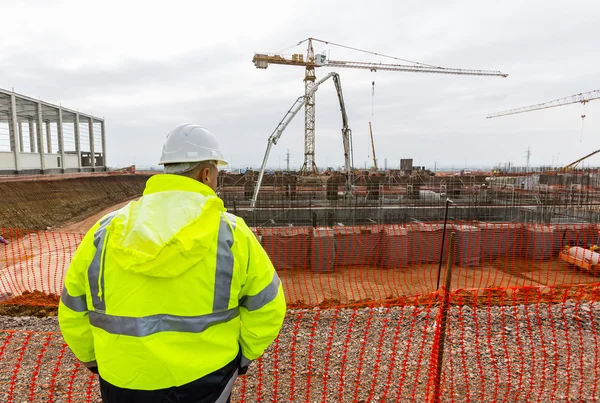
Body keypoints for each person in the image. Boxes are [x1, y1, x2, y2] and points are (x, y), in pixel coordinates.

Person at [58, 124, 286, 402]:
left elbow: (73, 307)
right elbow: (268, 306)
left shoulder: (105, 230)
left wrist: (92, 358)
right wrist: (245, 355)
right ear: (206, 174)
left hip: (122, 375)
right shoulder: (230, 233)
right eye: (216, 173)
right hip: (207, 376)